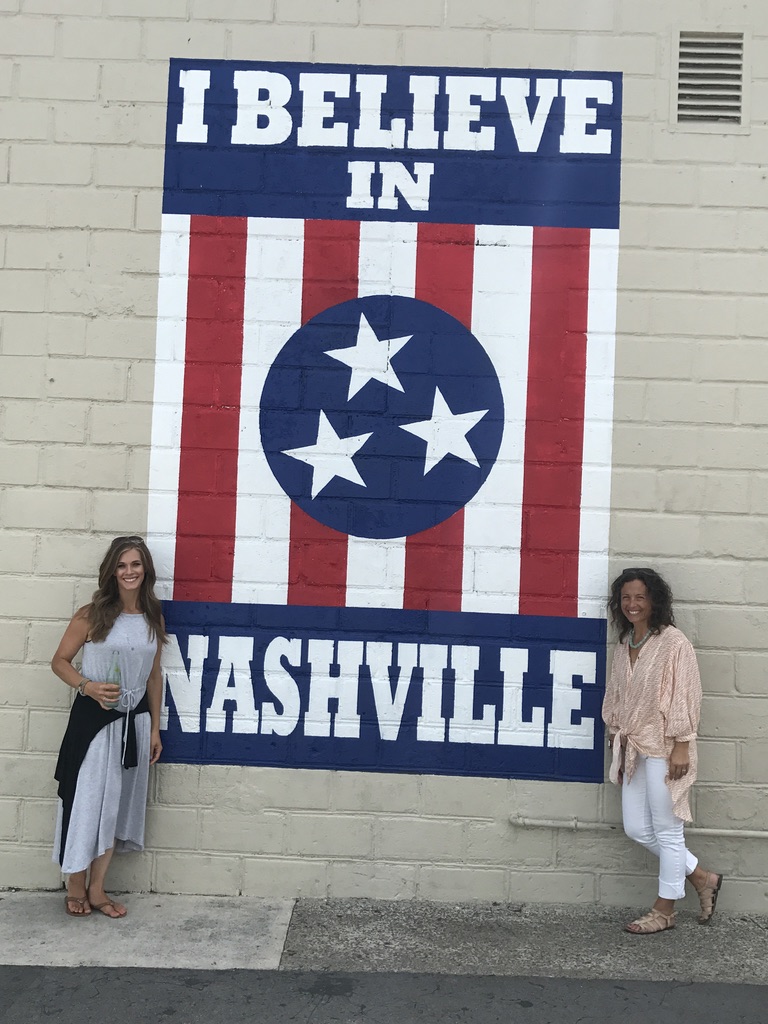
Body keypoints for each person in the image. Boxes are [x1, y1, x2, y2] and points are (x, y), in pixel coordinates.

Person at [51, 536, 166, 919]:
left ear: (145, 569)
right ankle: (75, 882)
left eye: (135, 564)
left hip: (135, 724)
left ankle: (97, 888)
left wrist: (154, 729)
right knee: (87, 801)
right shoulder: (92, 614)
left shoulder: (153, 617)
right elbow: (60, 661)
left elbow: (154, 676)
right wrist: (87, 685)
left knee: (115, 805)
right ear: (112, 571)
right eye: (121, 565)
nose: (129, 571)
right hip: (95, 725)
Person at [602, 567, 722, 934]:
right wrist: (615, 735)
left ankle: (664, 910)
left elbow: (686, 695)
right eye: (626, 597)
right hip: (635, 749)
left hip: (666, 748)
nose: (632, 604)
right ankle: (701, 877)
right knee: (637, 828)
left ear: (654, 600)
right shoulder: (625, 644)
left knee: (668, 832)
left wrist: (682, 745)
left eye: (640, 597)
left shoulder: (674, 643)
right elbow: (616, 695)